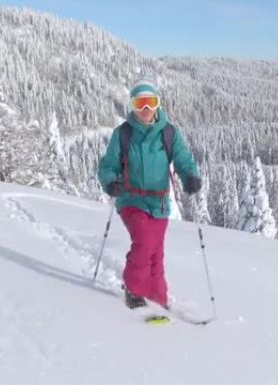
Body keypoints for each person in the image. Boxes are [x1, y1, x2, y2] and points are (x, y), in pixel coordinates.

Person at [97, 76, 202, 309]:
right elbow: (108, 166)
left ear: (157, 104)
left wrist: (190, 177)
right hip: (131, 199)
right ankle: (133, 288)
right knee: (144, 242)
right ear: (132, 106)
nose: (145, 109)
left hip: (160, 202)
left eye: (150, 102)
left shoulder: (168, 133)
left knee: (156, 251)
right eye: (140, 103)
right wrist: (111, 182)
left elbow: (183, 159)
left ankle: (156, 293)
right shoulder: (123, 134)